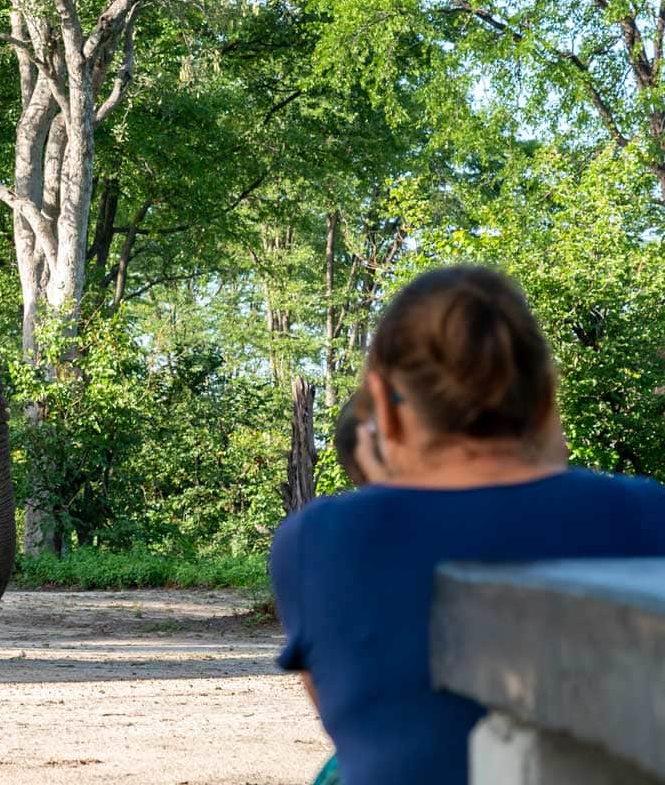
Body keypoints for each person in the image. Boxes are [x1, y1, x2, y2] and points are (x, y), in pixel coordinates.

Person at [271, 265, 665, 785]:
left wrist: (387, 491)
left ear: (385, 409)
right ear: (546, 396)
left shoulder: (318, 539)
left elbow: (355, 728)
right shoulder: (647, 512)